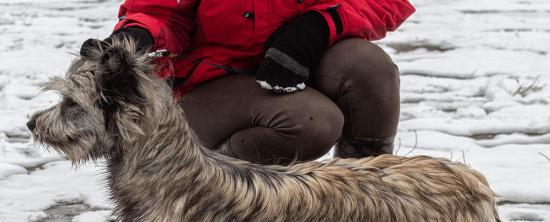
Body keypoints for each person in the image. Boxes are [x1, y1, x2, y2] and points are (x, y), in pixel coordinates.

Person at [82, 0, 415, 165]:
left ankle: (366, 206)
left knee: (369, 68)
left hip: (301, 64)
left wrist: (318, 26)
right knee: (311, 123)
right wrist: (138, 34)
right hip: (209, 87)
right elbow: (162, 13)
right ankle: (213, 202)